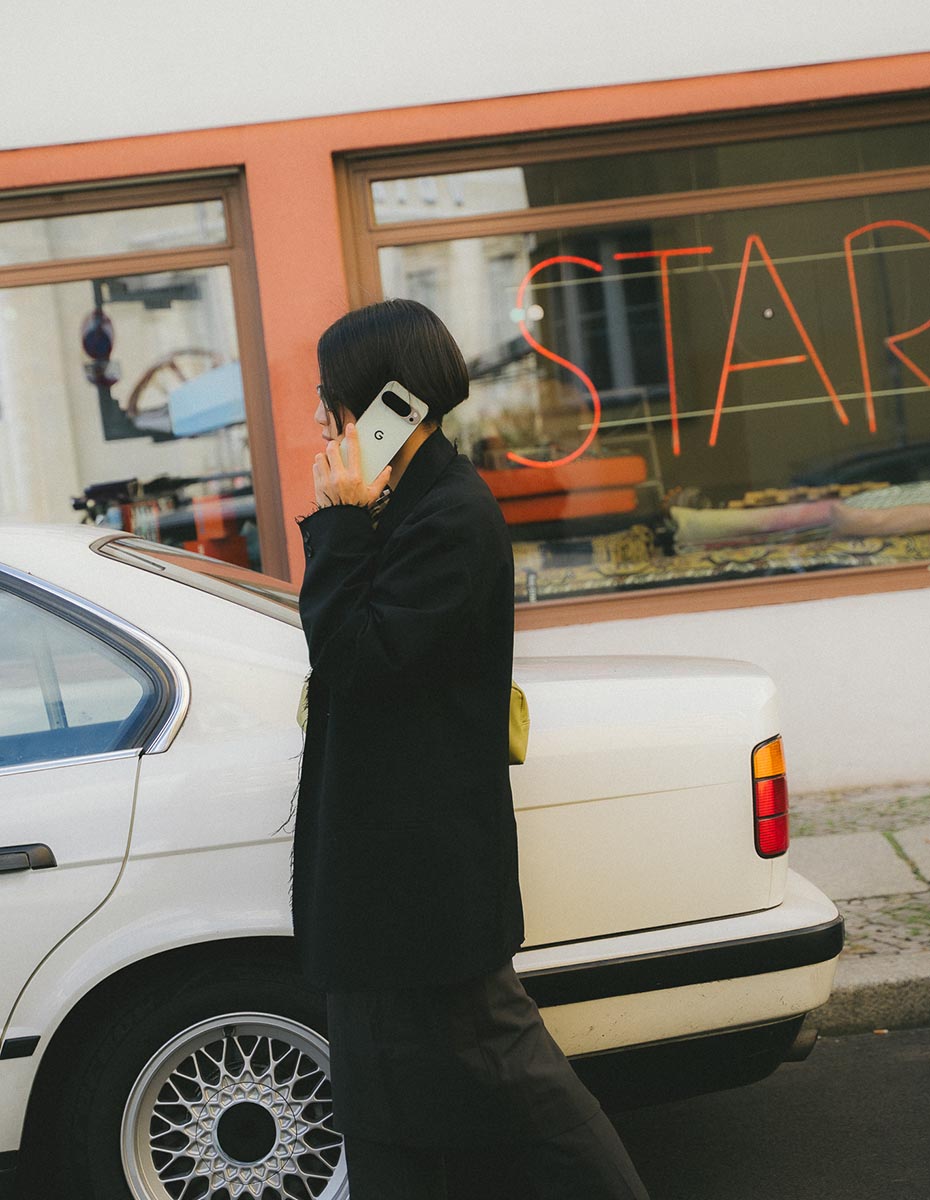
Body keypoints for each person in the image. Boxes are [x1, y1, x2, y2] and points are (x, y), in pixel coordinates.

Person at [292, 298, 650, 1200]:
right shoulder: (396, 503)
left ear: (389, 407)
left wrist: (337, 522)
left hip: (427, 867)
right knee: (379, 1094)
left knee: (506, 1067)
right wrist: (351, 513)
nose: (322, 419)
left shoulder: (449, 515)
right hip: (381, 867)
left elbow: (355, 657)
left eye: (332, 398)